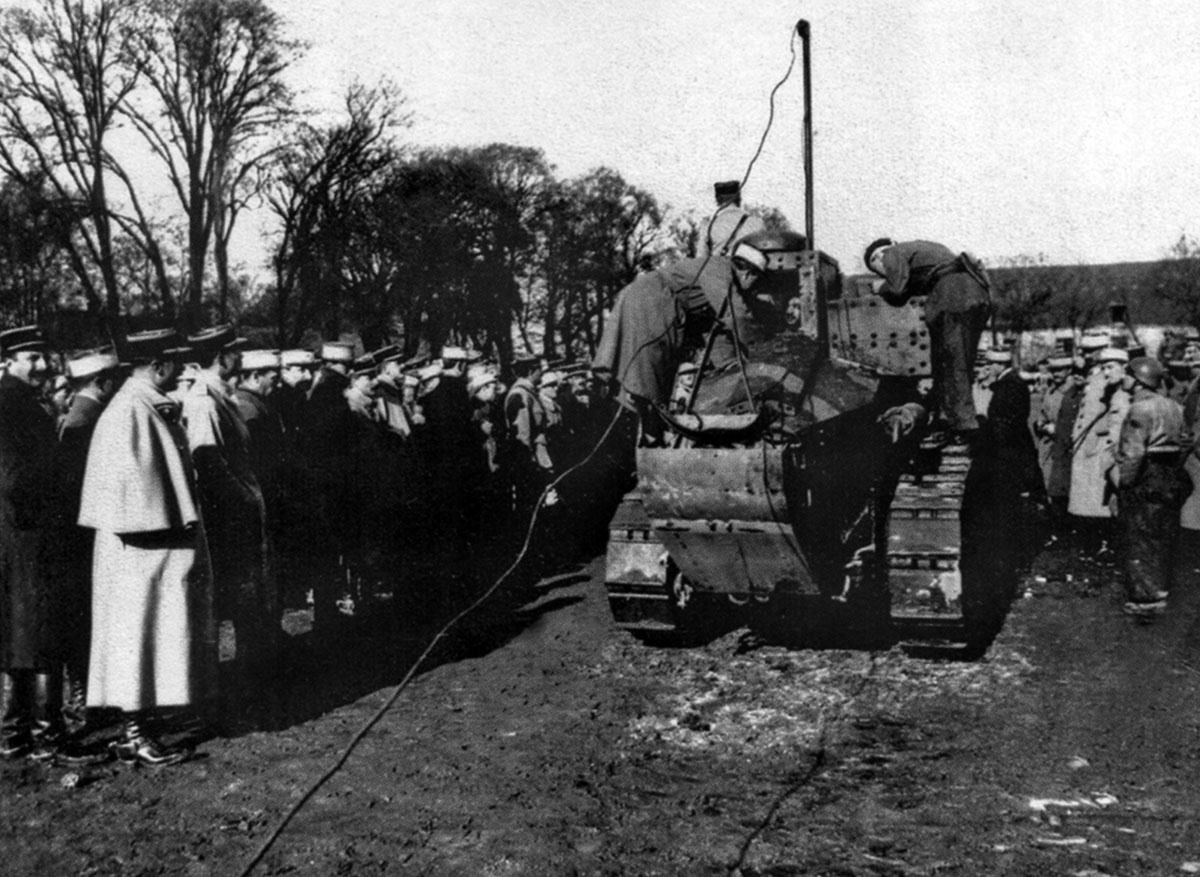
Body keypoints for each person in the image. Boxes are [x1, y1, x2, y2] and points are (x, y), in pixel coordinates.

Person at [79, 329, 216, 766]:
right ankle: (135, 734)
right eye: (176, 361)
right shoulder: (130, 411)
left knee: (151, 638)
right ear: (158, 366)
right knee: (134, 639)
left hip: (153, 550)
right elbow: (130, 497)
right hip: (139, 553)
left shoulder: (144, 405)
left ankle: (143, 728)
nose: (182, 369)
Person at [592, 229, 798, 447]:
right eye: (756, 280)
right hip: (650, 301)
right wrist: (768, 350)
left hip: (656, 303)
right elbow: (738, 317)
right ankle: (647, 440)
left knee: (650, 378)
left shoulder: (719, 281)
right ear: (748, 273)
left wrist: (730, 366)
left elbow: (720, 332)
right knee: (646, 377)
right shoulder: (720, 270)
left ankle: (650, 436)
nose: (754, 286)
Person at [182, 326, 274, 687]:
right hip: (229, 516)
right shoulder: (204, 400)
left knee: (247, 599)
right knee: (237, 600)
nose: (240, 357)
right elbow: (207, 461)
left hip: (239, 510)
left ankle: (250, 674)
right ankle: (240, 682)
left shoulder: (221, 394)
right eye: (235, 352)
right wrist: (244, 497)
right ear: (222, 358)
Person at [0, 326, 71, 760]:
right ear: (8, 360)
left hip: (17, 536)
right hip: (30, 534)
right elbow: (14, 481)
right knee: (41, 635)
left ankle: (14, 734)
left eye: (44, 357)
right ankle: (48, 736)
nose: (42, 366)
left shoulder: (20, 401)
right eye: (31, 358)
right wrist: (60, 487)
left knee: (20, 635)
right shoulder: (13, 405)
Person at [864, 238, 992, 437]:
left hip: (954, 295)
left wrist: (880, 287)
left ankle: (964, 428)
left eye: (877, 269)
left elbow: (897, 289)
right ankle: (949, 420)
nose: (882, 272)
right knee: (957, 362)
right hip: (974, 294)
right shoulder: (923, 250)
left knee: (953, 363)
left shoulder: (891, 253)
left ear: (877, 257)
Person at [55, 349, 121, 732]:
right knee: (85, 620)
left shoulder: (84, 416)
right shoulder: (86, 421)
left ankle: (89, 698)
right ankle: (83, 701)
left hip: (80, 532)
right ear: (101, 382)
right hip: (83, 536)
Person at [1112, 357, 1189, 617]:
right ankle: (1161, 589)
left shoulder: (1140, 409)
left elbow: (1133, 453)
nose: (1124, 378)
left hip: (1146, 474)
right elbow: (1185, 442)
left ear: (1138, 380)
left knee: (1139, 536)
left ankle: (1144, 598)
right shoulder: (1174, 406)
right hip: (1170, 474)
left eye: (1127, 374)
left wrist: (1125, 484)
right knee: (1162, 533)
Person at [1069, 347, 1131, 560]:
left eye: (1110, 367)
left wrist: (1100, 441)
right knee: (1099, 501)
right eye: (1104, 367)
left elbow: (1119, 427)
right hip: (1097, 448)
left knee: (1108, 500)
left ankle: (1109, 545)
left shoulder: (1121, 395)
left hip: (1110, 451)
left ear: (1124, 367)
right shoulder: (1108, 388)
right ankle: (1101, 544)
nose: (1106, 372)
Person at [703, 180, 765, 257]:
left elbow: (700, 260)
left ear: (717, 199)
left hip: (720, 263)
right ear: (739, 198)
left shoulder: (708, 226)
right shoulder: (757, 223)